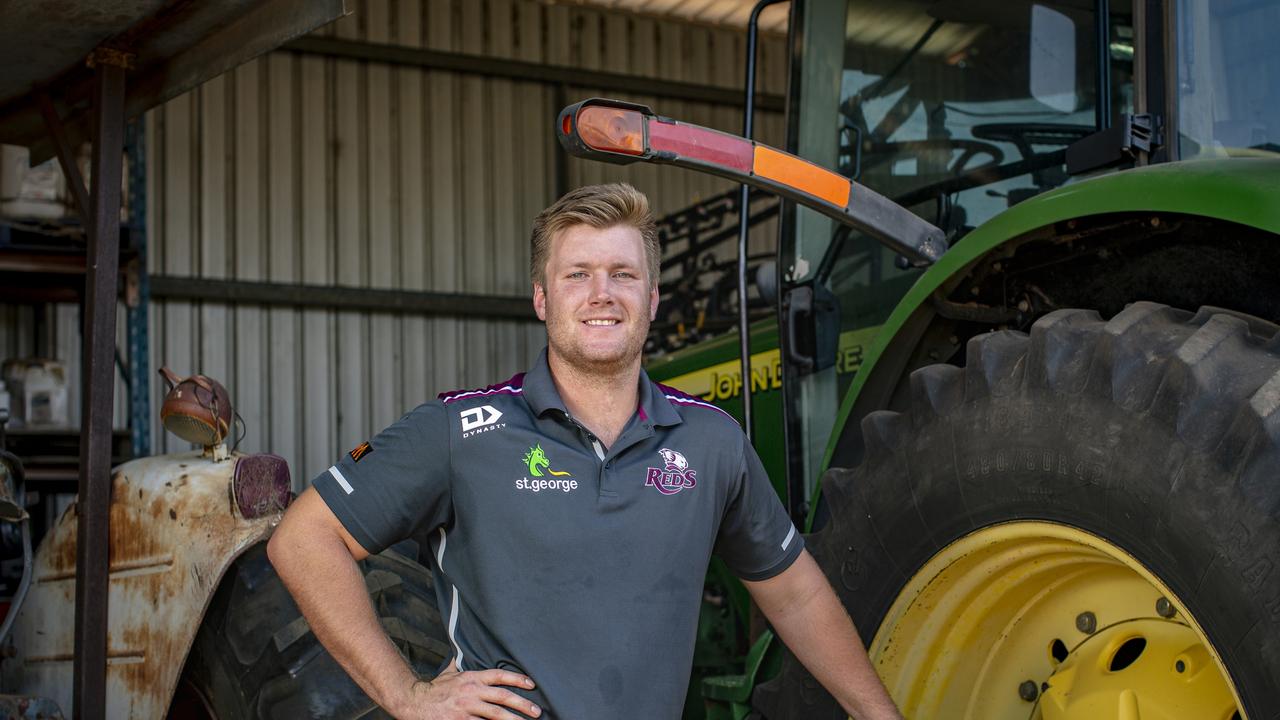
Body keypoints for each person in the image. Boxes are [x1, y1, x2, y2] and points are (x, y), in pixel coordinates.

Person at [268, 183, 904, 720]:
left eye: (623, 275)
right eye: (578, 275)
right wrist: (406, 695)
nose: (602, 293)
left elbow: (796, 596)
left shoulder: (711, 442)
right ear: (542, 299)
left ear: (651, 299)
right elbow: (303, 539)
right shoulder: (460, 432)